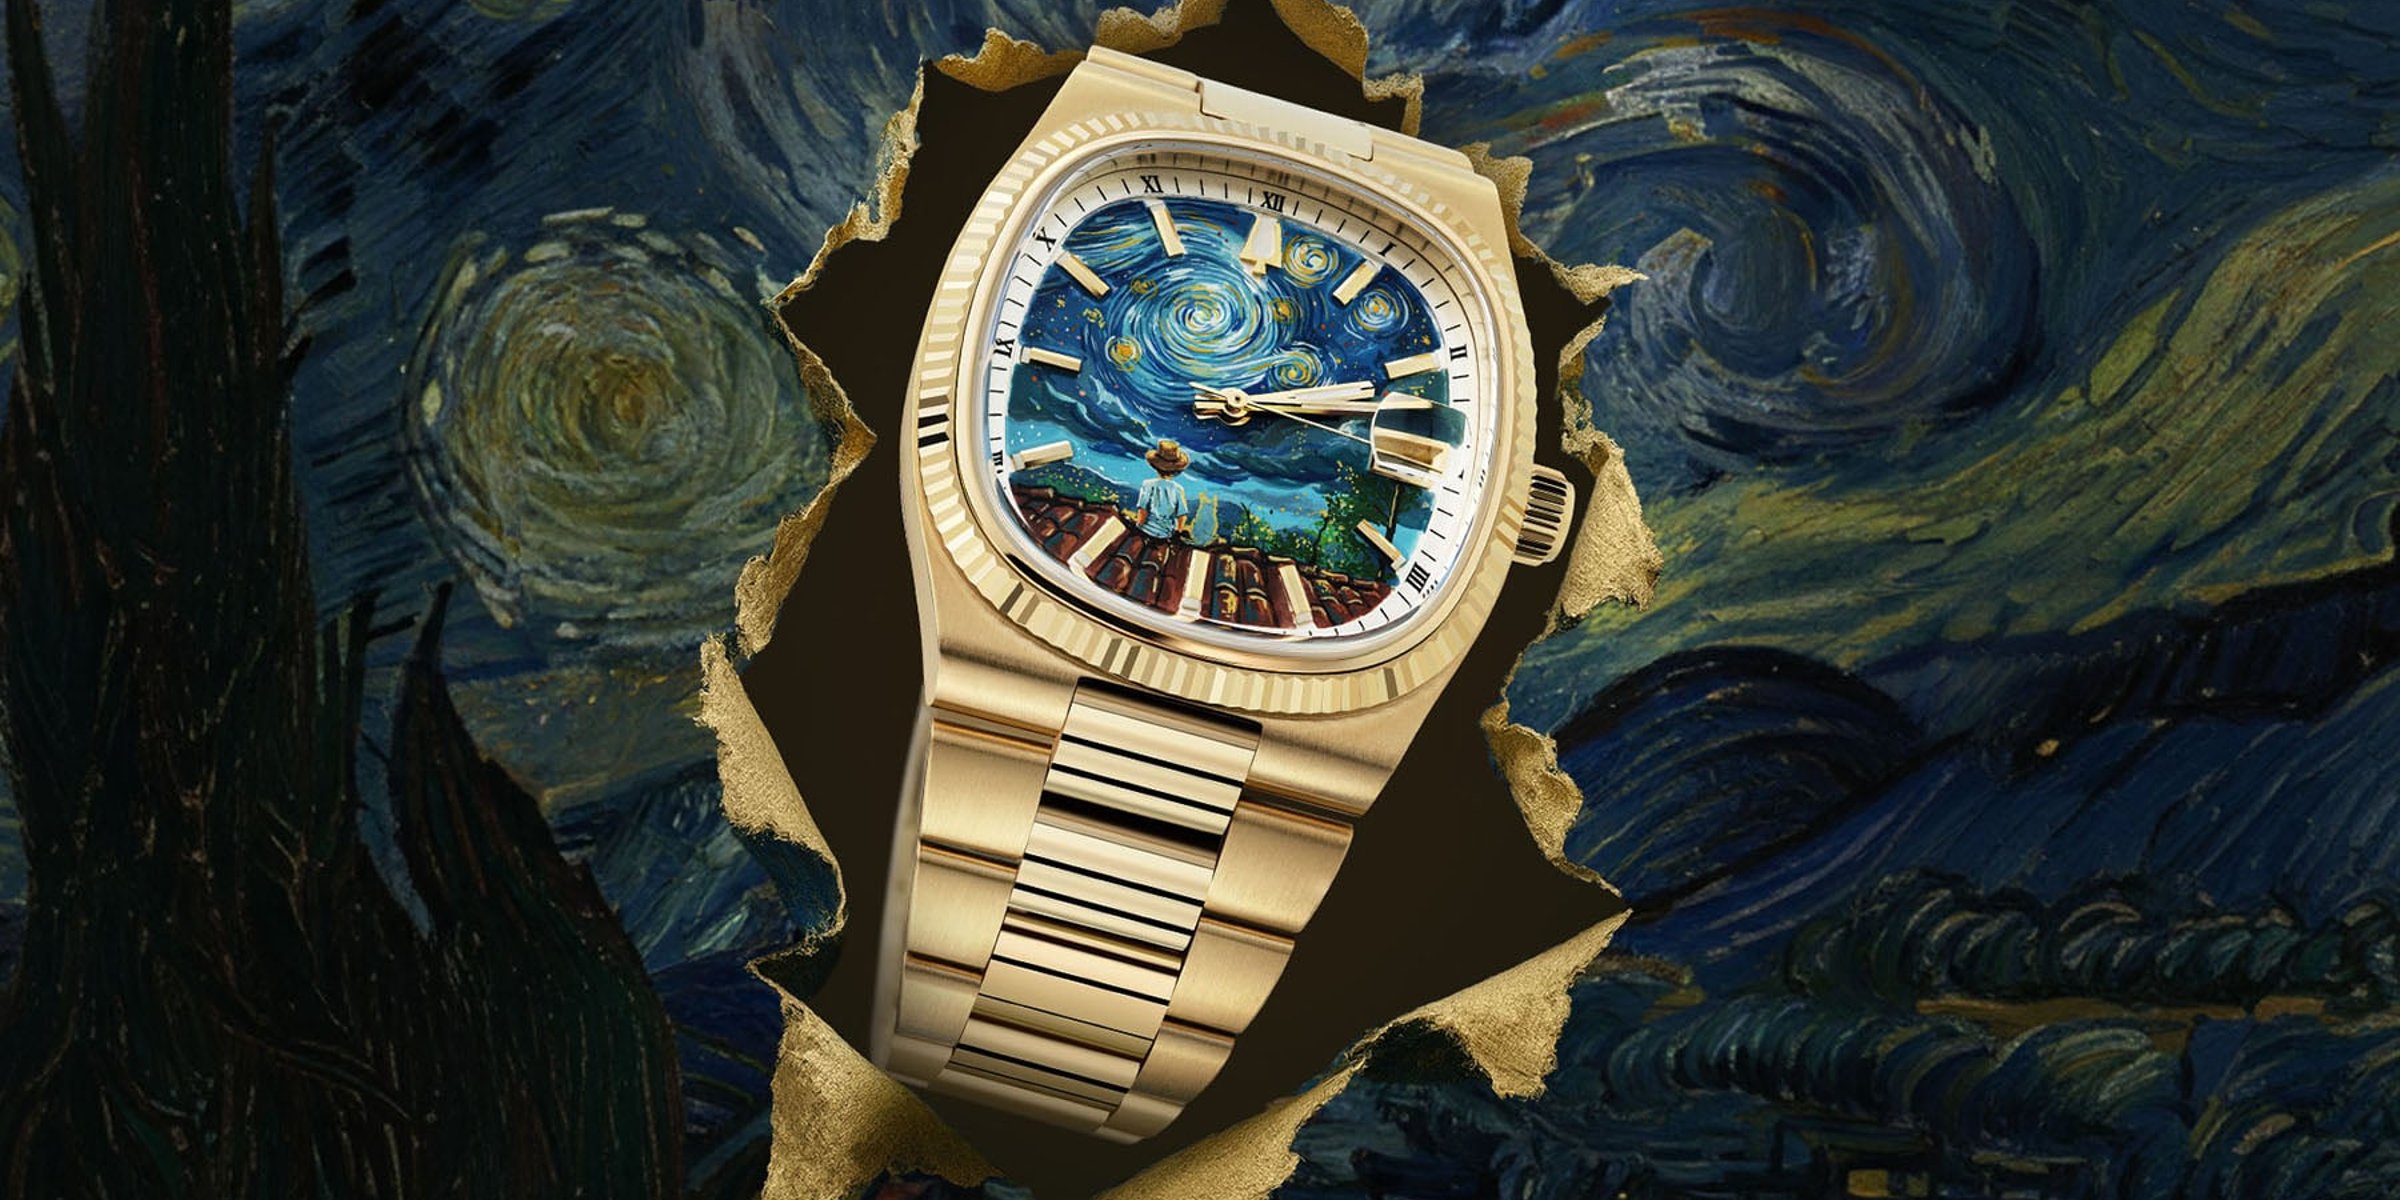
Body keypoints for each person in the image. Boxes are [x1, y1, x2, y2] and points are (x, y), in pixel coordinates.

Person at [1126, 438, 1193, 540]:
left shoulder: (1147, 484)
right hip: (1166, 534)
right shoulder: (1178, 489)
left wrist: (1138, 526)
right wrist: (1178, 532)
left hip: (1146, 530)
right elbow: (1182, 516)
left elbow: (1143, 510)